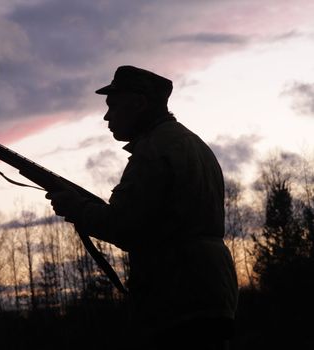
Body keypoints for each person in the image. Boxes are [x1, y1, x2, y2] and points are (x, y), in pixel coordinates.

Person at [45, 65, 238, 349]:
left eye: (113, 106)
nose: (107, 116)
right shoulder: (190, 143)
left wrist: (77, 209)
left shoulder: (153, 150)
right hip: (211, 292)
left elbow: (123, 226)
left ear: (138, 103)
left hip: (177, 296)